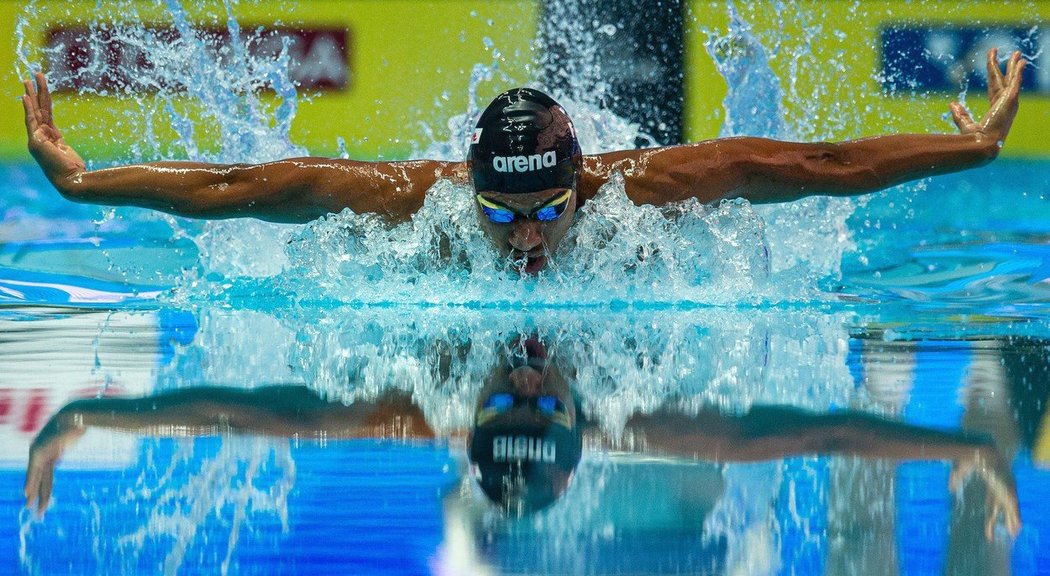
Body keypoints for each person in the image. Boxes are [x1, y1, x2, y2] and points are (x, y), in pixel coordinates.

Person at [22, 49, 1026, 274]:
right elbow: (242, 187)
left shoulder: (638, 190)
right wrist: (79, 179)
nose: (530, 235)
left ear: (580, 182)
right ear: (471, 190)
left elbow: (819, 163)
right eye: (504, 218)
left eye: (549, 209)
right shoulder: (420, 200)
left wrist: (972, 146)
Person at [25, 336, 1022, 539]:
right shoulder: (650, 417)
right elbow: (819, 432)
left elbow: (245, 409)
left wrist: (87, 414)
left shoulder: (422, 402)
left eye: (516, 405)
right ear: (582, 424)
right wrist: (964, 450)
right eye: (545, 407)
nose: (531, 383)